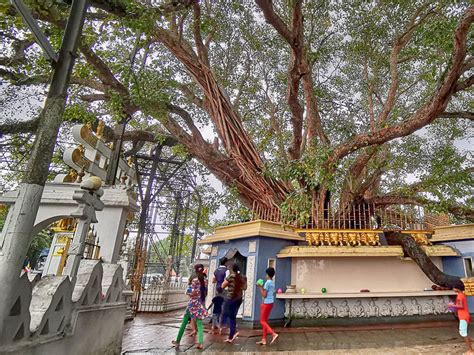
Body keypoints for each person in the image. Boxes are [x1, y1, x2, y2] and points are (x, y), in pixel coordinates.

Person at [172, 264, 208, 350]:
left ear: (195, 270)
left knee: (184, 322)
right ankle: (200, 343)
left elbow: (189, 292)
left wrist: (190, 293)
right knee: (199, 323)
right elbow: (205, 293)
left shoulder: (195, 281)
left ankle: (177, 341)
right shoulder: (205, 281)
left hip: (192, 304)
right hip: (199, 304)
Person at [221, 263, 247, 343]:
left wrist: (229, 284)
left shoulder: (231, 276)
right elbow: (245, 288)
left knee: (227, 315)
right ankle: (231, 335)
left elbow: (222, 286)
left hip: (231, 298)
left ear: (232, 269)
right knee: (232, 316)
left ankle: (234, 331)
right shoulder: (243, 277)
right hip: (239, 298)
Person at [256, 267, 279, 345]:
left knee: (262, 321)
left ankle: (273, 334)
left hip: (266, 303)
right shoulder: (272, 282)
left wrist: (259, 287)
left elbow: (264, 295)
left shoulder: (267, 283)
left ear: (268, 274)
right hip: (270, 302)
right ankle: (264, 339)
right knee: (265, 321)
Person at [449, 287, 472, 354]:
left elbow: (460, 306)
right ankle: (470, 348)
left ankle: (470, 350)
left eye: (454, 288)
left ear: (457, 288)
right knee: (464, 332)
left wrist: (452, 305)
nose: (453, 289)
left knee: (463, 333)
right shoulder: (461, 294)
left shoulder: (460, 295)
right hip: (464, 315)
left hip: (463, 316)